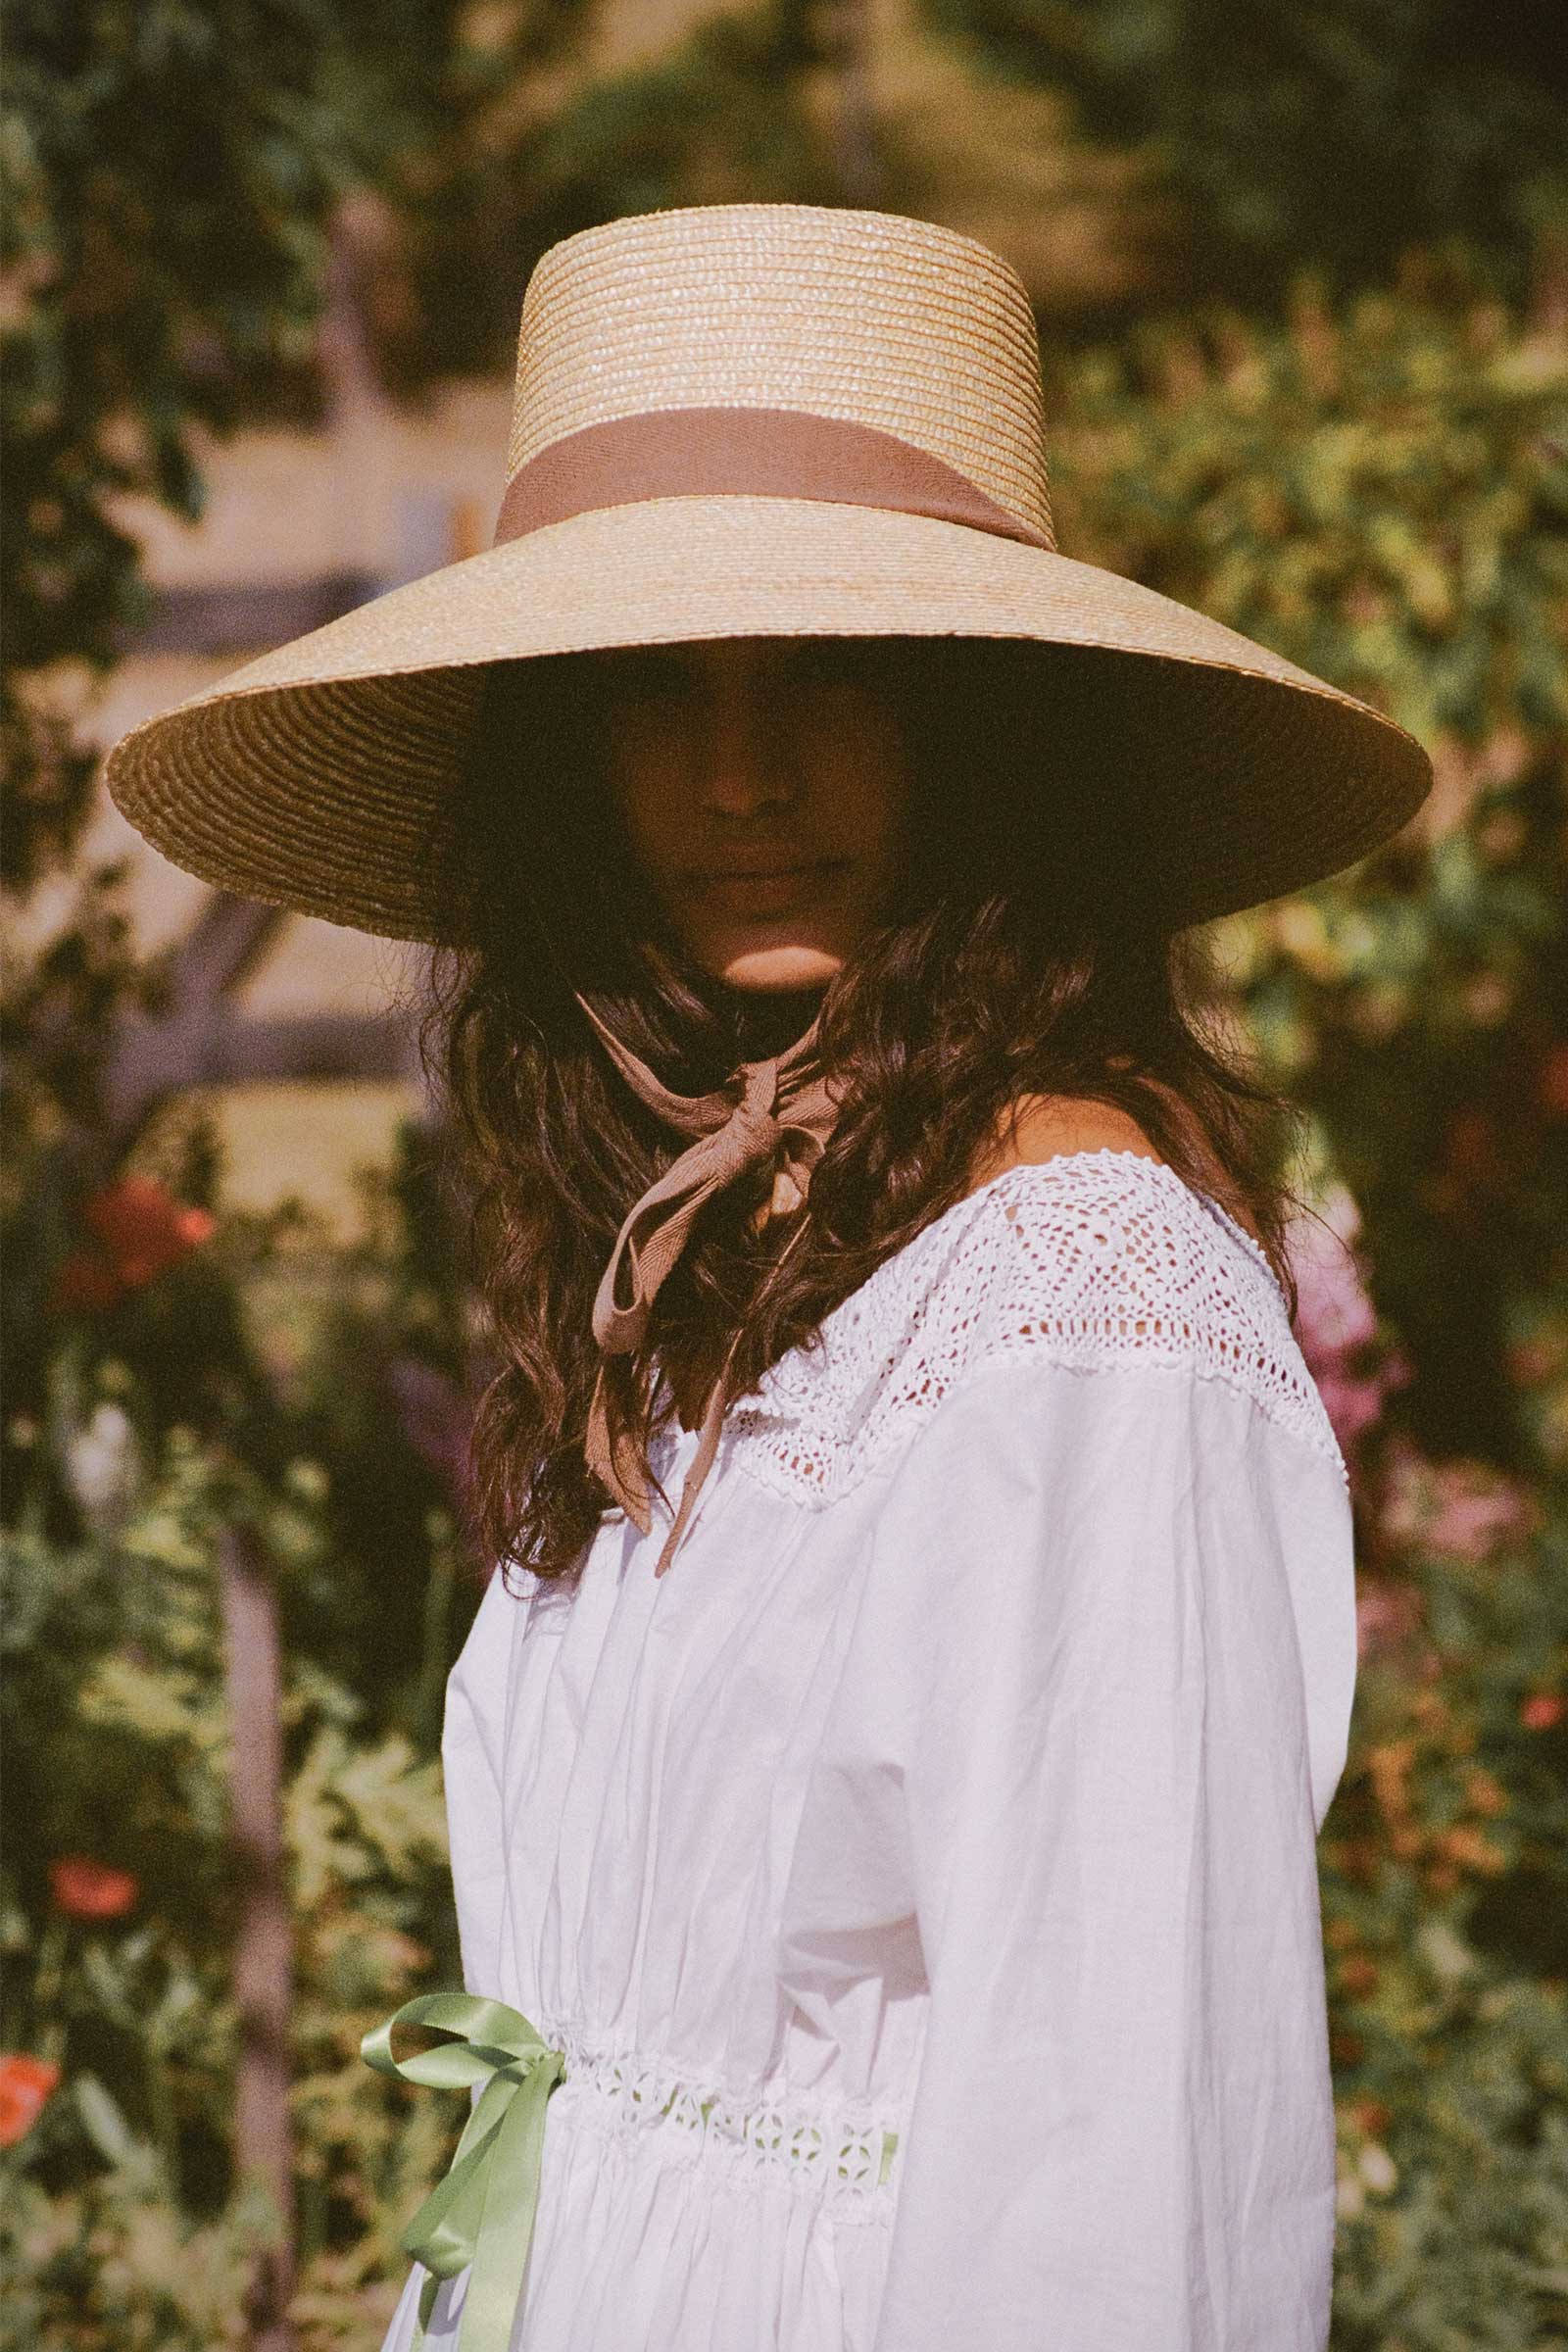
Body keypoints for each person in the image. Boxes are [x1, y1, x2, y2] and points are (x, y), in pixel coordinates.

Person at [103, 201, 1433, 2352]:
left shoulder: (1073, 1312)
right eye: (654, 688)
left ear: (984, 723)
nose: (739, 772)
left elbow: (1116, 2176)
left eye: (827, 667)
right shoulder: (720, 1251)